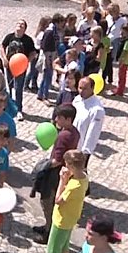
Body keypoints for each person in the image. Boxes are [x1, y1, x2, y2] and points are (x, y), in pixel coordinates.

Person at [33, 104, 80, 244]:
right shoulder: (75, 132)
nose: (56, 120)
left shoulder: (63, 136)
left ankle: (48, 233)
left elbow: (57, 160)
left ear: (68, 119)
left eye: (59, 117)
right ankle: (48, 226)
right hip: (66, 172)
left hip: (55, 174)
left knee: (47, 202)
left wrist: (42, 167)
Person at [47, 150, 89, 253]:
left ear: (71, 165)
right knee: (64, 247)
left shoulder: (73, 185)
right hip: (71, 219)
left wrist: (62, 180)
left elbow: (58, 200)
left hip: (61, 220)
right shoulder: (84, 177)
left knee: (54, 252)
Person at [1, 19, 36, 120]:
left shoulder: (28, 40)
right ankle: (8, 107)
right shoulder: (9, 37)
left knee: (18, 88)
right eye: (18, 24)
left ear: (25, 29)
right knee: (9, 87)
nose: (20, 26)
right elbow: (3, 46)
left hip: (20, 68)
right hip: (9, 66)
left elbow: (33, 53)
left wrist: (26, 62)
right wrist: (4, 58)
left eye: (22, 25)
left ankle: (18, 109)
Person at [72, 76, 105, 168]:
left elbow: (93, 133)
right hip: (71, 141)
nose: (81, 91)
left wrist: (85, 153)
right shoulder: (77, 99)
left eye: (85, 88)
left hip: (81, 147)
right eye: (80, 88)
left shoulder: (97, 109)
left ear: (92, 88)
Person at [108, 24, 128, 97]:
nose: (121, 33)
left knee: (122, 76)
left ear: (127, 32)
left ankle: (120, 91)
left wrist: (121, 61)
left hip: (124, 62)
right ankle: (119, 88)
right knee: (121, 76)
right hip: (125, 61)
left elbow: (125, 53)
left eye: (122, 32)